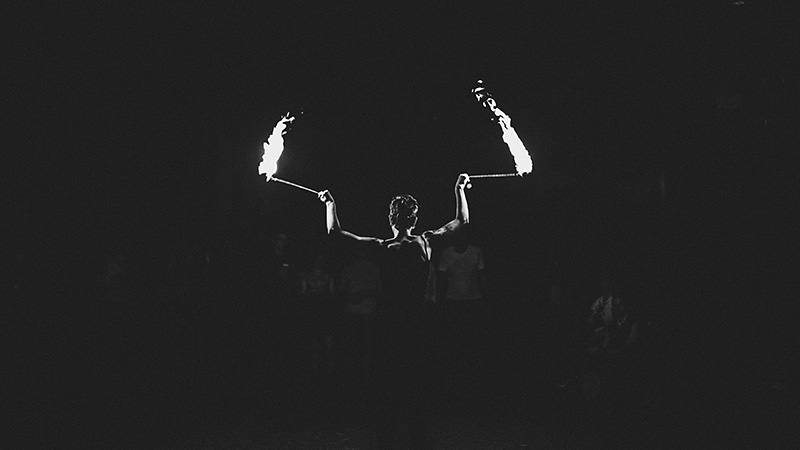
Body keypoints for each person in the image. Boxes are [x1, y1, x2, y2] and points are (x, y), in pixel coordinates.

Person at [317, 173, 471, 450]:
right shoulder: (425, 242)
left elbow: (335, 234)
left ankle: (387, 441)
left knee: (388, 390)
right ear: (414, 220)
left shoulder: (382, 247)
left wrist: (330, 204)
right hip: (418, 324)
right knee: (417, 389)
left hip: (388, 325)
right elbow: (461, 222)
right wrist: (459, 189)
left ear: (391, 219)